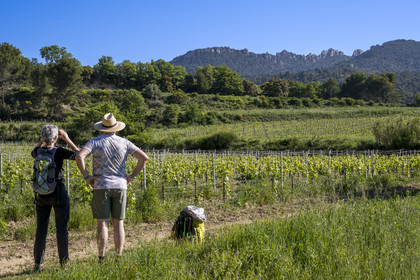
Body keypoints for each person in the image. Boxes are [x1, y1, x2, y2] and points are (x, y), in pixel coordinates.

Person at [75, 113, 148, 262]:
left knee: (102, 223)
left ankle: (101, 257)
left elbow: (79, 156)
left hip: (101, 186)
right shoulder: (125, 142)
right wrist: (132, 176)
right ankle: (118, 256)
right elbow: (144, 158)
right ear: (116, 128)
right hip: (121, 186)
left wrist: (87, 176)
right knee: (118, 223)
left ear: (102, 127)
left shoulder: (94, 142)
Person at [32, 125, 79, 272]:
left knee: (41, 229)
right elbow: (78, 154)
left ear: (43, 137)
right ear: (57, 138)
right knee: (61, 229)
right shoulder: (58, 151)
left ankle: (37, 264)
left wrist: (41, 141)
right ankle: (64, 265)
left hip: (41, 194)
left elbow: (32, 151)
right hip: (58, 193)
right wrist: (67, 139)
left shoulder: (38, 151)